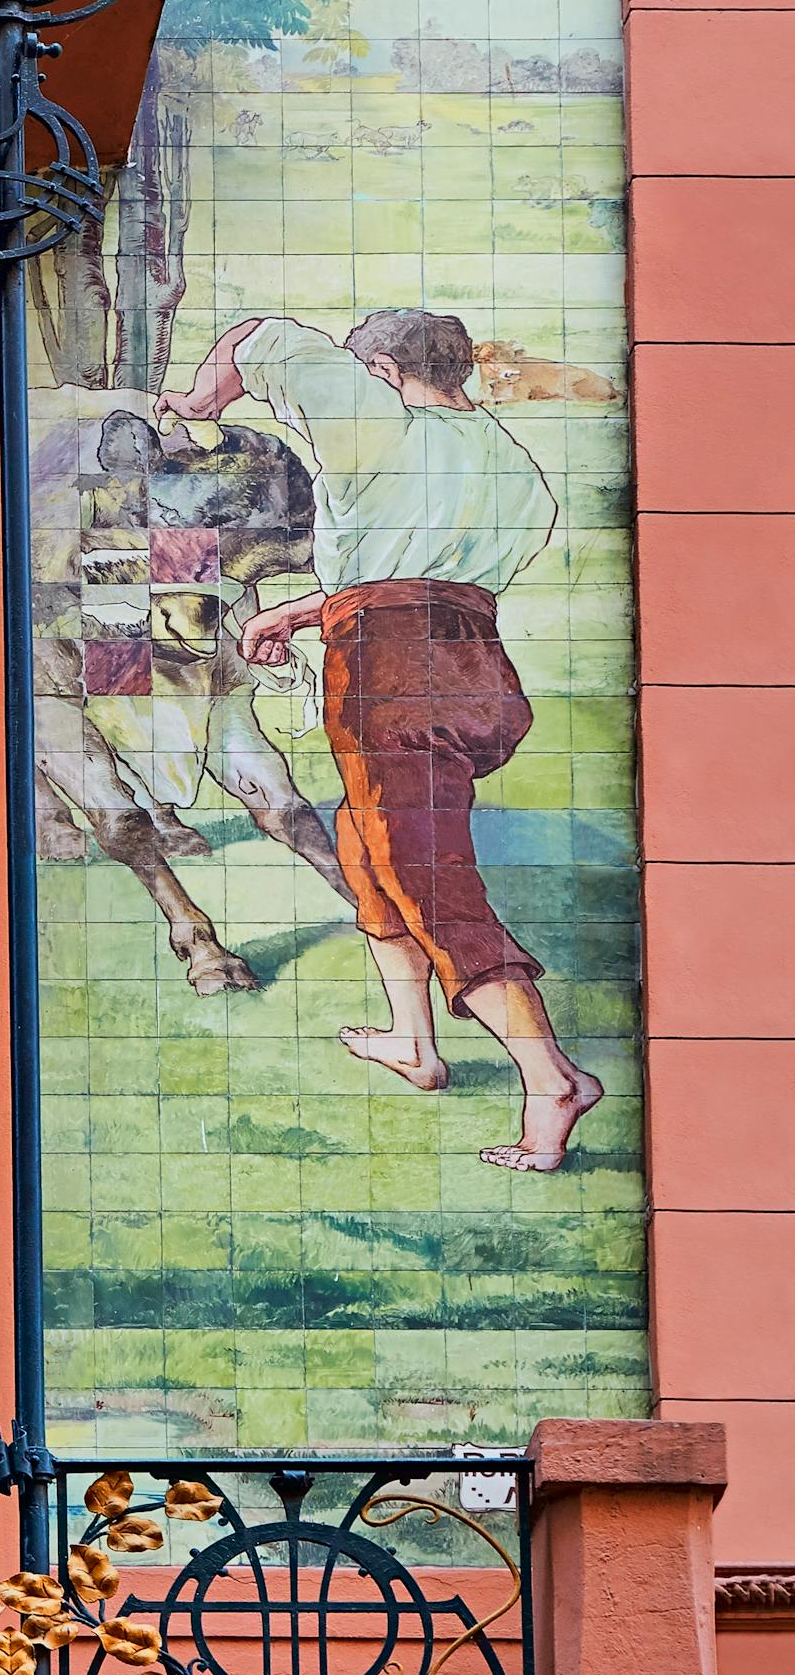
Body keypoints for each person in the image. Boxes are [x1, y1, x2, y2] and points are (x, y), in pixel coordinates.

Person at [157, 308, 602, 1172]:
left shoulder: (380, 418)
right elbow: (422, 576)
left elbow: (262, 333)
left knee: (422, 872)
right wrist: (300, 612)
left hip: (393, 677)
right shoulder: (511, 464)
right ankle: (412, 1040)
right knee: (368, 845)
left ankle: (552, 1078)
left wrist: (201, 399)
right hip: (473, 669)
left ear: (388, 373)